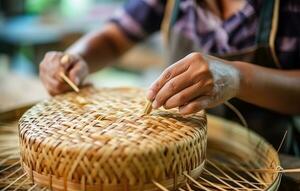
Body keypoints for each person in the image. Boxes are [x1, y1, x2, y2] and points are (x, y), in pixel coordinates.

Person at [39, 0, 300, 155]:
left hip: (264, 157)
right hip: (174, 157)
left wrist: (237, 77)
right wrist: (75, 59)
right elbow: (114, 37)